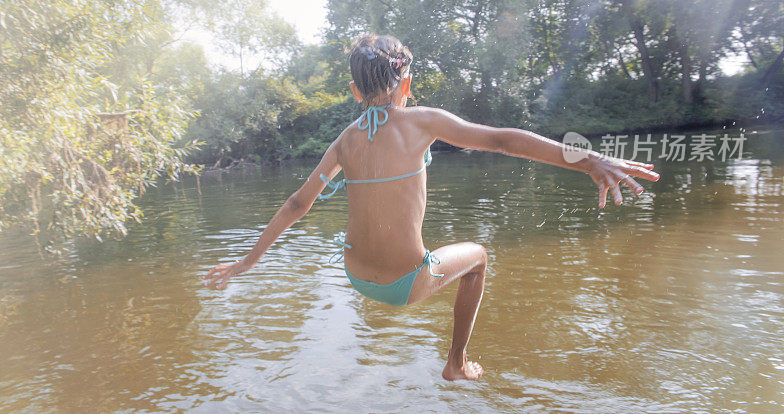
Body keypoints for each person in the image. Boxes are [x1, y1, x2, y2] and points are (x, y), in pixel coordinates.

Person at [204, 34, 660, 381]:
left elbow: (298, 203)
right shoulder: (422, 121)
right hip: (406, 283)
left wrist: (248, 262)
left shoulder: (343, 142)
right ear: (406, 82)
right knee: (479, 257)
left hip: (355, 275)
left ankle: (453, 358)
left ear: (354, 91)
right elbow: (502, 140)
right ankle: (456, 361)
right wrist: (588, 160)